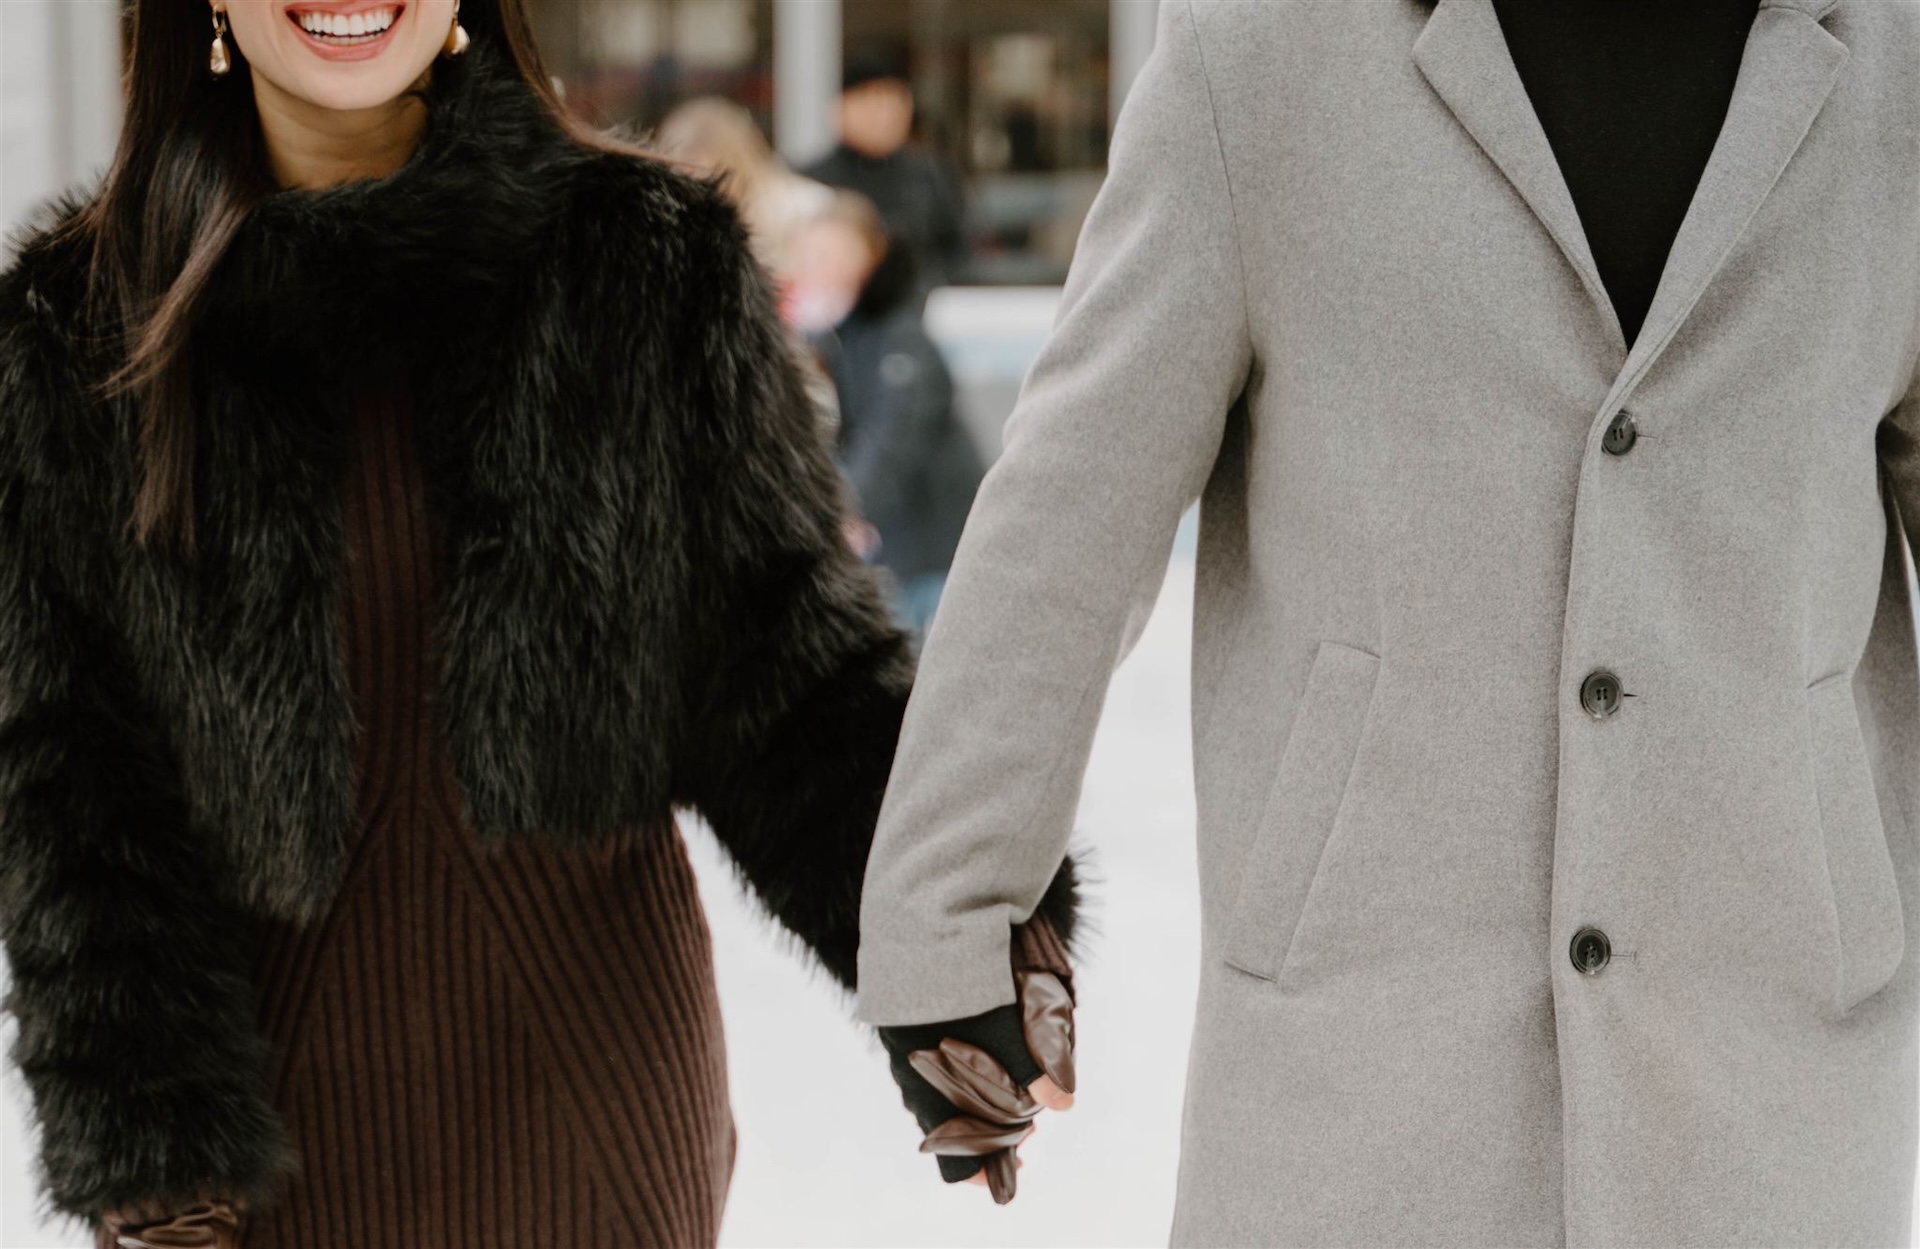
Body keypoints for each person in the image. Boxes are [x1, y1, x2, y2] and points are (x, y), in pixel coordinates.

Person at [0, 2, 1080, 1246]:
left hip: (594, 1130)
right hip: (258, 1175)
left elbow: (791, 681)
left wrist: (963, 950)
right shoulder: (74, 339)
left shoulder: (647, 264)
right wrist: (148, 1151)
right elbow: (73, 794)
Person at [855, 0, 1920, 1245]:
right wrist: (944, 914)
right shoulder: (1263, 51)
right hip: (1365, 1061)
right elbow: (1070, 515)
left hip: (1771, 1064)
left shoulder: (1898, 68)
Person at [789, 190, 985, 638]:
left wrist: (837, 512)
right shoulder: (832, 337)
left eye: (835, 253)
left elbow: (891, 439)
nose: (822, 267)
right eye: (812, 254)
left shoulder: (899, 338)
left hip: (933, 544)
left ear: (872, 256)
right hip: (890, 546)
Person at [801, 49, 968, 304]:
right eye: (866, 100)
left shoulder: (931, 174)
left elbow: (957, 251)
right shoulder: (810, 179)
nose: (880, 114)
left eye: (889, 100)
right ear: (840, 107)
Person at [652, 96, 834, 298]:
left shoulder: (808, 209)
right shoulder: (673, 224)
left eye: (713, 178)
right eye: (687, 181)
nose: (704, 192)